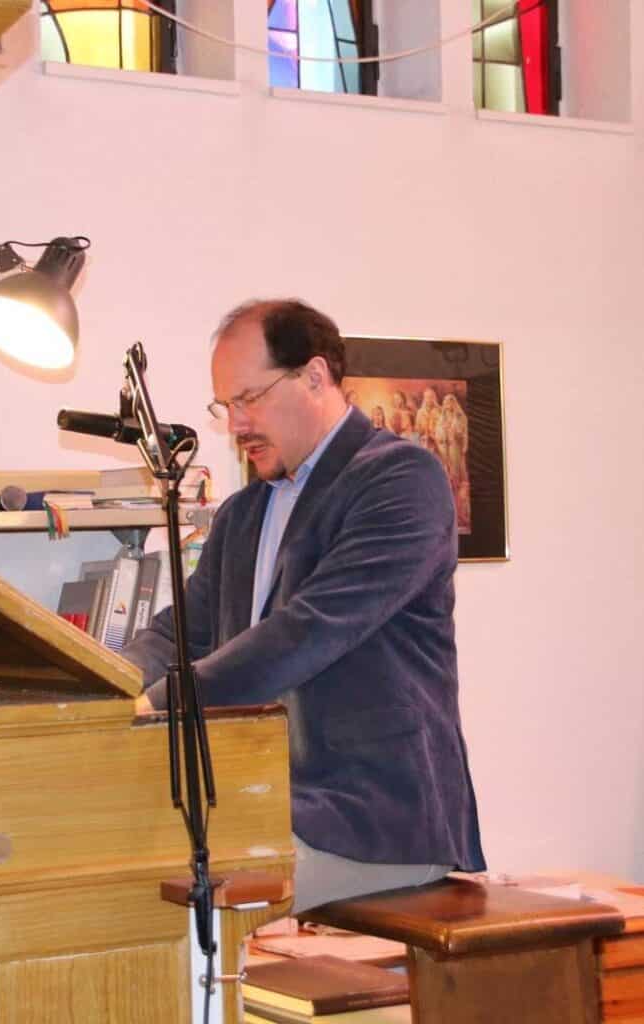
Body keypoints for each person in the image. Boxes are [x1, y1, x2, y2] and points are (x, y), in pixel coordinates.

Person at [123, 298, 485, 913]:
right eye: (226, 406)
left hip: (375, 818)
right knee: (121, 876)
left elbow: (306, 632)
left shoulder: (402, 480)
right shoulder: (243, 513)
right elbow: (175, 635)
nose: (236, 424)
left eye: (249, 399)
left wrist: (156, 703)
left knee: (163, 908)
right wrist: (95, 681)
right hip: (270, 800)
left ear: (315, 376)